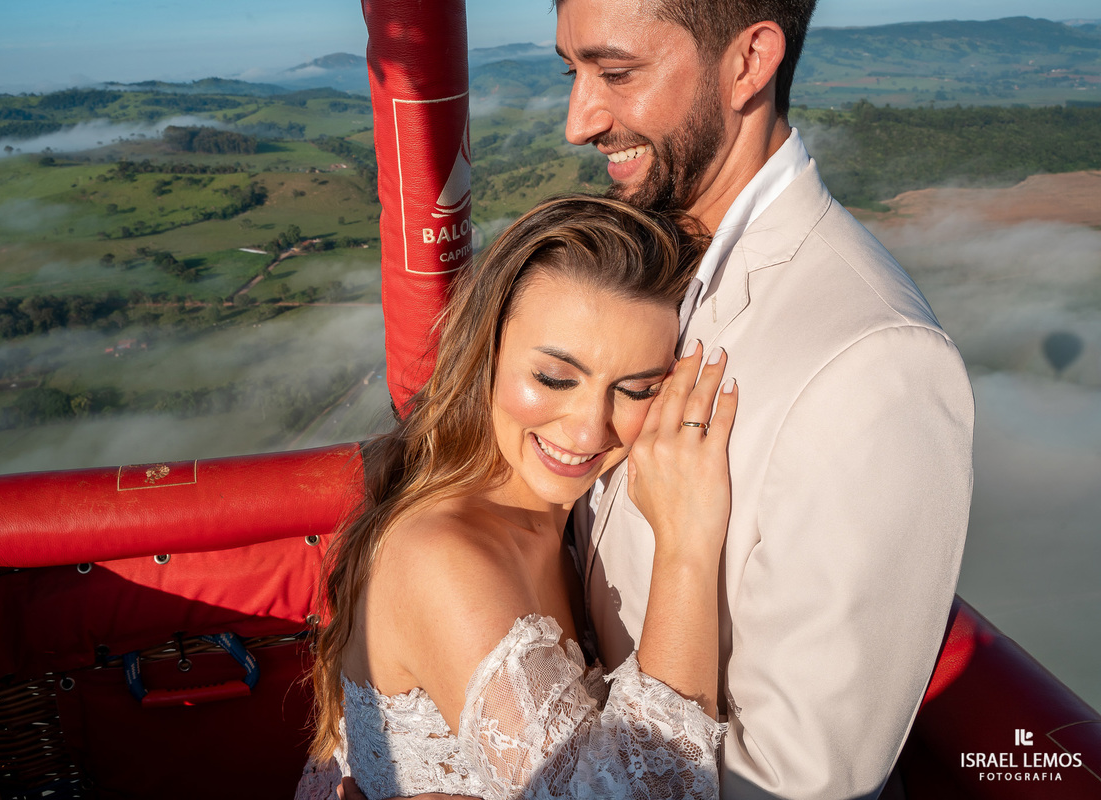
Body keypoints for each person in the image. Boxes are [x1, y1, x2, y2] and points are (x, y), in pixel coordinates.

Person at [556, 1, 975, 798]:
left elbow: (794, 781)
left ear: (749, 62)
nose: (579, 121)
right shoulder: (628, 254)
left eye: (615, 73)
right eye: (569, 72)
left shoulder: (876, 364)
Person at [295, 194, 738, 799]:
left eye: (635, 390)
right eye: (554, 378)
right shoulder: (441, 556)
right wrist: (687, 545)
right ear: (486, 354)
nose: (588, 431)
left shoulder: (568, 514)